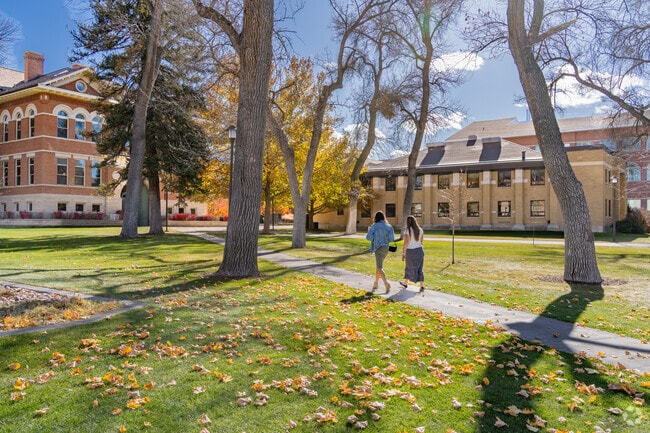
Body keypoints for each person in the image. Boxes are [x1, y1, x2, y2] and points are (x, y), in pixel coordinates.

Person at [365, 211, 395, 293]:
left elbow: (368, 237)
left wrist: (374, 235)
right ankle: (376, 283)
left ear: (376, 218)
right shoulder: (389, 226)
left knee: (379, 267)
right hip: (386, 248)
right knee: (379, 265)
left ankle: (386, 283)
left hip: (378, 248)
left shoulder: (374, 226)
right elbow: (392, 238)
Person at [399, 215, 425, 293]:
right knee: (420, 268)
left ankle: (406, 283)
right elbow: (421, 240)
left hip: (410, 251)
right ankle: (422, 285)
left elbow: (406, 242)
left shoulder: (407, 231)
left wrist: (403, 253)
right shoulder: (420, 230)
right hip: (419, 250)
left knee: (408, 267)